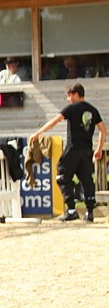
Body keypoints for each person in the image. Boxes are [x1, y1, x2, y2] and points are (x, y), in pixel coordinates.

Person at [29, 83, 107, 222]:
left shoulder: (72, 108)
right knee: (86, 179)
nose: (68, 99)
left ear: (76, 94)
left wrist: (38, 133)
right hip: (87, 150)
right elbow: (103, 130)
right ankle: (89, 212)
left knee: (62, 176)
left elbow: (55, 121)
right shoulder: (93, 110)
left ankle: (71, 210)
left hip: (73, 148)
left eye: (69, 96)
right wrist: (99, 149)